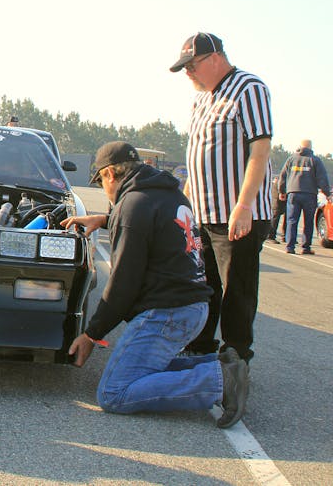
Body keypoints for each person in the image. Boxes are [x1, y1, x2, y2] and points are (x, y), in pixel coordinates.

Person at [62, 141, 249, 428]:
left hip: (167, 314)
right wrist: (107, 220)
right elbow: (152, 222)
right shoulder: (169, 194)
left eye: (100, 181)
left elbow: (122, 286)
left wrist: (91, 334)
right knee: (139, 370)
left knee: (114, 393)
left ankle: (217, 381)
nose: (104, 189)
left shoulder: (133, 205)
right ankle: (222, 366)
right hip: (194, 308)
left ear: (110, 173)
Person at [171, 33, 273, 363]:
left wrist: (244, 205)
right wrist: (185, 207)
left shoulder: (249, 88)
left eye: (192, 66)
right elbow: (197, 158)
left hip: (236, 215)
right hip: (204, 214)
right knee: (204, 286)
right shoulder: (202, 99)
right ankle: (199, 345)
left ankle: (235, 356)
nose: (188, 73)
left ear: (215, 58)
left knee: (236, 291)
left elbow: (260, 150)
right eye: (185, 68)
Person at [277, 140, 332, 254]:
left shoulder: (291, 159)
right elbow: (322, 178)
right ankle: (305, 247)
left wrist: (281, 191)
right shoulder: (315, 160)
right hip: (309, 195)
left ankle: (290, 246)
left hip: (293, 193)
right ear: (311, 147)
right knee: (308, 221)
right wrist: (327, 194)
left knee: (292, 220)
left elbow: (283, 176)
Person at [266, 176, 287, 243]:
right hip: (279, 188)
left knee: (288, 215)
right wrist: (281, 192)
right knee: (276, 214)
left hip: (286, 188)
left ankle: (285, 236)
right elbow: (282, 176)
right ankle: (270, 236)